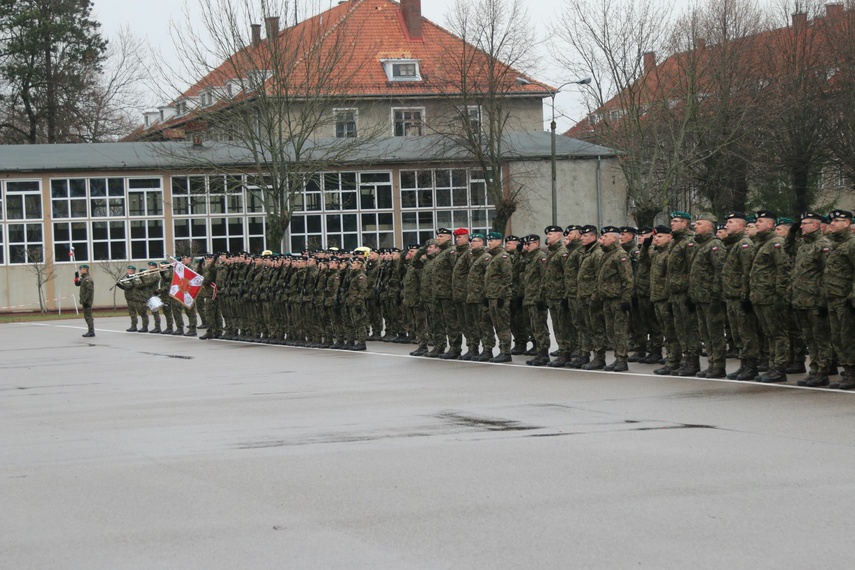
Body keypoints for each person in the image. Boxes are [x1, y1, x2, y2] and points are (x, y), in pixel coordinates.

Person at [749, 210, 792, 383]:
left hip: (772, 297)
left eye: (760, 221)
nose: (757, 223)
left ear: (770, 224)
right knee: (769, 333)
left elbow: (784, 270)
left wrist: (780, 295)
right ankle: (772, 365)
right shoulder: (762, 243)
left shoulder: (777, 243)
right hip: (760, 296)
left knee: (778, 333)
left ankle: (779, 368)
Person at [689, 213, 727, 378]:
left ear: (709, 226)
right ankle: (711, 363)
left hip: (710, 297)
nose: (695, 226)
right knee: (705, 334)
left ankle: (718, 365)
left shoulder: (715, 245)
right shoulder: (700, 245)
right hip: (699, 297)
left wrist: (716, 296)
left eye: (699, 223)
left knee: (715, 333)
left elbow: (720, 272)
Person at [823, 210, 855, 390]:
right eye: (831, 220)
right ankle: (849, 371)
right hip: (833, 298)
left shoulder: (851, 244)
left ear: (848, 223)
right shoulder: (834, 244)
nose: (832, 223)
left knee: (848, 338)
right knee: (838, 338)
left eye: (837, 220)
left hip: (846, 299)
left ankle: (851, 373)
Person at [596, 226, 634, 372]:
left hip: (617, 299)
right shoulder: (607, 254)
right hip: (607, 298)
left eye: (605, 236)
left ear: (614, 238)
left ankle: (622, 359)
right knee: (611, 330)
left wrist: (625, 299)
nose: (603, 239)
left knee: (620, 330)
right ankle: (617, 358)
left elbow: (628, 279)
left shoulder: (620, 255)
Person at [484, 232, 514, 363]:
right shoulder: (493, 257)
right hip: (492, 296)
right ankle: (502, 349)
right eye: (489, 241)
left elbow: (507, 278)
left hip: (500, 297)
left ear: (498, 241)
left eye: (492, 241)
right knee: (497, 324)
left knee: (503, 324)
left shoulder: (503, 257)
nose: (489, 243)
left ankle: (506, 351)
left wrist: (502, 295)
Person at [75, 264, 95, 337]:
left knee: (88, 316)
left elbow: (89, 291)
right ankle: (90, 330)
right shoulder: (83, 279)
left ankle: (91, 331)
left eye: (82, 269)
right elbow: (77, 284)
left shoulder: (88, 279)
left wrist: (86, 301)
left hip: (87, 301)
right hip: (84, 300)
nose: (80, 270)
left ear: (85, 270)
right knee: (87, 316)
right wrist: (76, 277)